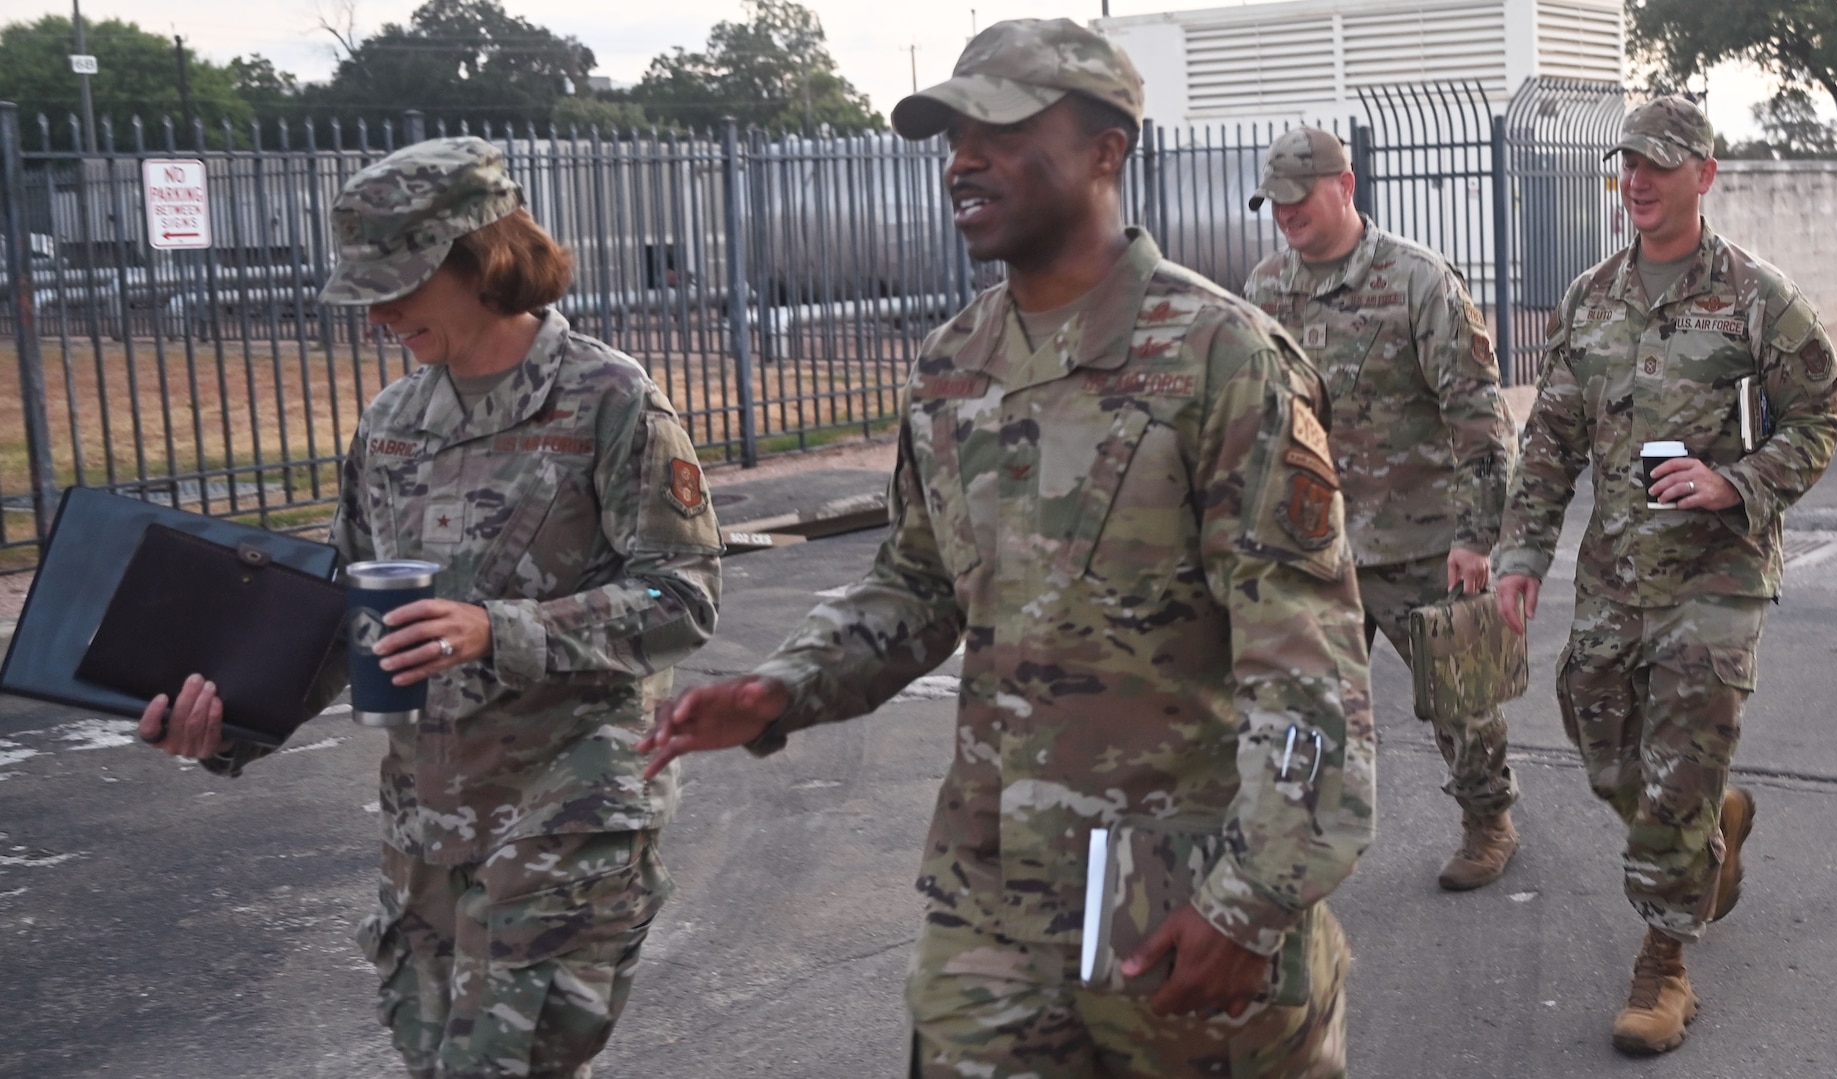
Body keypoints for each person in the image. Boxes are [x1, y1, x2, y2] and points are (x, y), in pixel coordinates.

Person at [639, 18, 1374, 1078]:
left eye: (999, 128)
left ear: (1107, 148)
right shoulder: (952, 364)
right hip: (991, 896)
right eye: (951, 135)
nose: (963, 159)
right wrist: (782, 686)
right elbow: (919, 582)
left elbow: (1308, 663)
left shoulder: (1224, 357)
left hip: (1179, 891)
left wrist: (1252, 898)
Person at [137, 136, 724, 1079]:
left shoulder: (611, 401)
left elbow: (683, 597)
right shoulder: (394, 423)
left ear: (481, 257)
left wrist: (501, 629)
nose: (378, 313)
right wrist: (228, 728)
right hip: (428, 824)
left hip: (567, 809)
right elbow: (343, 617)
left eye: (399, 282)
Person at [1492, 97, 1837, 1054]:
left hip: (1717, 579)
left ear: (1704, 175)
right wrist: (1522, 553)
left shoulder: (1759, 297)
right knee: (1600, 735)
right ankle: (1707, 834)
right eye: (1628, 166)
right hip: (1616, 572)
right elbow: (1552, 438)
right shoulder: (1591, 296)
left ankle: (1665, 963)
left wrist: (1736, 481)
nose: (1637, 181)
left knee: (1677, 766)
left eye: (1659, 164)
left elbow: (1817, 420)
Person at [1243, 127, 1521, 890]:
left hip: (1423, 538)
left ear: (1345, 186)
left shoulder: (1418, 281)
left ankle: (1488, 818)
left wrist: (1477, 533)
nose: (1287, 216)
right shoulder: (1265, 289)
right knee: (1302, 704)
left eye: (1300, 199)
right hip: (1314, 545)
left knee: (1464, 701)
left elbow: (1479, 415)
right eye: (1275, 204)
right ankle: (1301, 843)